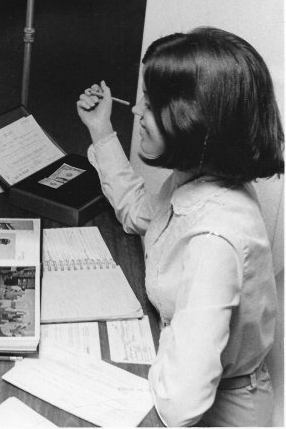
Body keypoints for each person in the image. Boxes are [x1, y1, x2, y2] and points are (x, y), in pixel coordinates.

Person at [76, 27, 283, 426]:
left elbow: (182, 403)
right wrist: (101, 128)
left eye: (151, 104)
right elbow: (139, 213)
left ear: (194, 121)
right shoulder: (199, 181)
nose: (136, 111)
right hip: (187, 381)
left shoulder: (215, 238)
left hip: (215, 411)